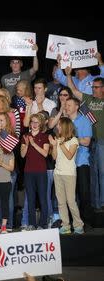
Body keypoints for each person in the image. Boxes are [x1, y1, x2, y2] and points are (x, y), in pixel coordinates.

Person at [66, 70, 104, 210]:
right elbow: (74, 91)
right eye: (93, 87)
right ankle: (95, 204)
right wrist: (69, 75)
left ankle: (102, 202)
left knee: (102, 173)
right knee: (93, 174)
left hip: (101, 140)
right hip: (90, 141)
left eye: (96, 87)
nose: (93, 89)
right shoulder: (88, 99)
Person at [49, 117, 84, 234]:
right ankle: (66, 225)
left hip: (69, 174)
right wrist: (54, 145)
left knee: (71, 201)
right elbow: (54, 157)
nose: (57, 127)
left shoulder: (74, 140)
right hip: (58, 173)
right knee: (61, 202)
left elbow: (69, 156)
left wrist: (61, 143)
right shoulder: (58, 140)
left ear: (64, 126)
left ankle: (78, 225)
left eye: (59, 125)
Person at [64, 97, 93, 227]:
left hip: (81, 162)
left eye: (69, 105)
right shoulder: (64, 122)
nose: (66, 107)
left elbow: (87, 141)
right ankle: (71, 221)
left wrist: (73, 138)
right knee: (69, 195)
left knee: (83, 193)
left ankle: (85, 221)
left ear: (77, 107)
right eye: (66, 105)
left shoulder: (84, 121)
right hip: (67, 163)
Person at [21, 113, 50, 230]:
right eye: (32, 122)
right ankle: (32, 224)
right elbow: (22, 155)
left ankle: (42, 224)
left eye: (36, 122)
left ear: (41, 124)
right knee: (31, 199)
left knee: (43, 198)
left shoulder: (44, 136)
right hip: (28, 171)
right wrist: (27, 144)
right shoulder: (25, 136)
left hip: (41, 171)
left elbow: (45, 153)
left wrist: (33, 144)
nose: (34, 124)